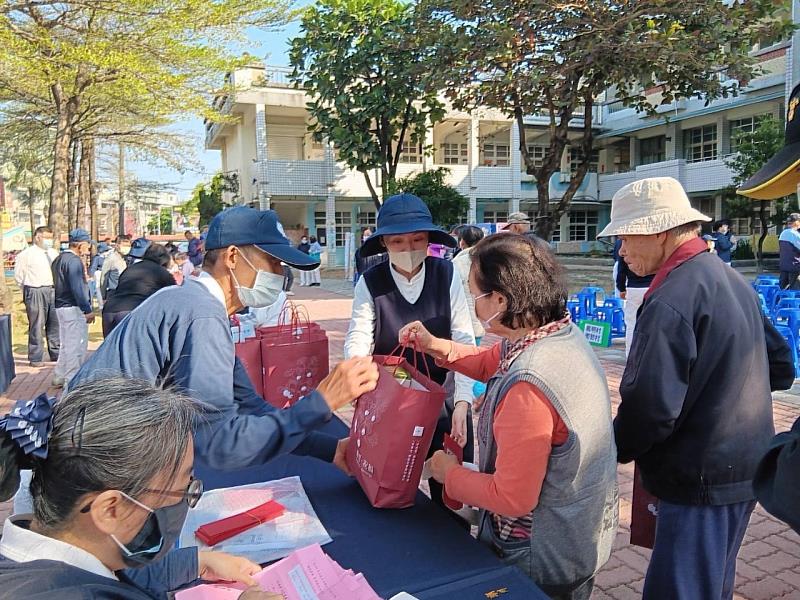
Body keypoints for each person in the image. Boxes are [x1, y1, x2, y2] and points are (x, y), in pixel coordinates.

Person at [598, 176, 795, 600]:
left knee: (682, 589)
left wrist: (609, 450)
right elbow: (781, 365)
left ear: (660, 232)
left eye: (627, 238)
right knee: (711, 583)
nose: (622, 251)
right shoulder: (729, 277)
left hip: (700, 473)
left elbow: (650, 407)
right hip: (747, 462)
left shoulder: (671, 296)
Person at [69, 207, 379, 472]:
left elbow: (250, 406)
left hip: (96, 444)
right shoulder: (201, 313)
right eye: (273, 262)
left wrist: (329, 449)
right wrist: (321, 402)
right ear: (232, 257)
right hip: (90, 458)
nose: (281, 273)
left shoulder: (195, 302)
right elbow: (220, 444)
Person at [399, 234, 618, 599]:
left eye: (476, 296)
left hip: (539, 555)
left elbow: (512, 498)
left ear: (500, 300)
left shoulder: (528, 388)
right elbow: (490, 361)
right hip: (578, 533)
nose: (474, 305)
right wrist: (434, 345)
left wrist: (447, 473)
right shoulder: (556, 333)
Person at [0, 378, 281, 600]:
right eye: (184, 488)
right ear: (111, 510)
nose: (189, 497)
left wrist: (196, 562)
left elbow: (107, 564)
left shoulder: (41, 560)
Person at [344, 193, 477, 512]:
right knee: (388, 484)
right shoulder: (371, 282)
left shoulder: (446, 274)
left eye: (417, 239)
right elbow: (359, 335)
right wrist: (356, 376)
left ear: (429, 240)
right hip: (393, 397)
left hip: (443, 397)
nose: (408, 249)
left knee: (452, 495)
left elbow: (463, 336)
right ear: (384, 244)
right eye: (398, 242)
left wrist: (462, 403)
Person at [101, 243, 176, 337]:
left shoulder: (130, 268)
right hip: (132, 312)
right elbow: (173, 296)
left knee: (109, 349)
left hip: (110, 309)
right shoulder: (162, 273)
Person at [51, 229, 95, 388]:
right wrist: (87, 309)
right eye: (87, 245)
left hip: (61, 306)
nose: (88, 248)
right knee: (75, 344)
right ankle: (71, 380)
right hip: (72, 306)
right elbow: (77, 288)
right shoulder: (74, 261)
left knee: (65, 343)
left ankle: (59, 374)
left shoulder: (58, 259)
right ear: (81, 244)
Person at [14, 226, 59, 367]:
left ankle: (56, 353)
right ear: (37, 237)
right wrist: (28, 289)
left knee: (55, 324)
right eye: (46, 237)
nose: (48, 240)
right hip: (35, 290)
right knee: (37, 324)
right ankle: (36, 356)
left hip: (52, 289)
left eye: (50, 237)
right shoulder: (26, 254)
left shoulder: (53, 253)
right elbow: (19, 276)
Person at [615, 255, 654, 357]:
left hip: (634, 288)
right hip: (653, 286)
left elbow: (621, 271)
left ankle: (630, 356)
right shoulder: (655, 243)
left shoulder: (627, 246)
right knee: (654, 323)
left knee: (631, 324)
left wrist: (621, 288)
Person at [452, 225, 485, 344]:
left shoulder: (456, 264)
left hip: (464, 322)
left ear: (462, 242)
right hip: (488, 320)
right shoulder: (489, 259)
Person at [100, 235, 131, 299]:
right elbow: (104, 278)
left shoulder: (128, 259)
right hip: (113, 293)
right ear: (117, 245)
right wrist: (103, 296)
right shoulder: (111, 258)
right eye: (124, 246)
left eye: (128, 246)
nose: (126, 248)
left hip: (126, 293)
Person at [778, 213, 800, 290]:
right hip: (794, 267)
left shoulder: (782, 233)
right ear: (796, 222)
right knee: (795, 291)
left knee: (783, 290)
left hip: (783, 266)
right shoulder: (795, 234)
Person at [88, 242, 110, 310]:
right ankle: (101, 305)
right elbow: (93, 267)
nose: (107, 252)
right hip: (99, 274)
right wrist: (91, 275)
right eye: (106, 251)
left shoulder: (108, 257)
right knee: (99, 289)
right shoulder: (97, 258)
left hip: (106, 273)